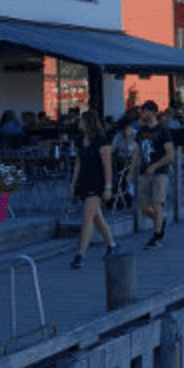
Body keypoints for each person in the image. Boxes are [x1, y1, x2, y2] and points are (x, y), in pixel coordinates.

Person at [69, 110, 119, 268]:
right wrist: (73, 184)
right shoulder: (79, 141)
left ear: (89, 122)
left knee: (88, 217)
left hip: (97, 182)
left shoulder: (101, 141)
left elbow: (107, 165)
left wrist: (108, 186)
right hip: (84, 181)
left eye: (82, 121)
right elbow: (78, 163)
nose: (79, 123)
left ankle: (80, 254)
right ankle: (112, 244)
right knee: (96, 216)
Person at [133, 100, 174, 249]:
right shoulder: (141, 132)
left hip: (159, 172)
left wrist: (155, 166)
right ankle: (160, 220)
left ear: (152, 113)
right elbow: (137, 153)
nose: (143, 114)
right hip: (144, 172)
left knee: (157, 204)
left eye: (145, 111)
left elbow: (170, 155)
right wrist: (131, 173)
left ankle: (157, 235)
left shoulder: (163, 131)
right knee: (143, 206)